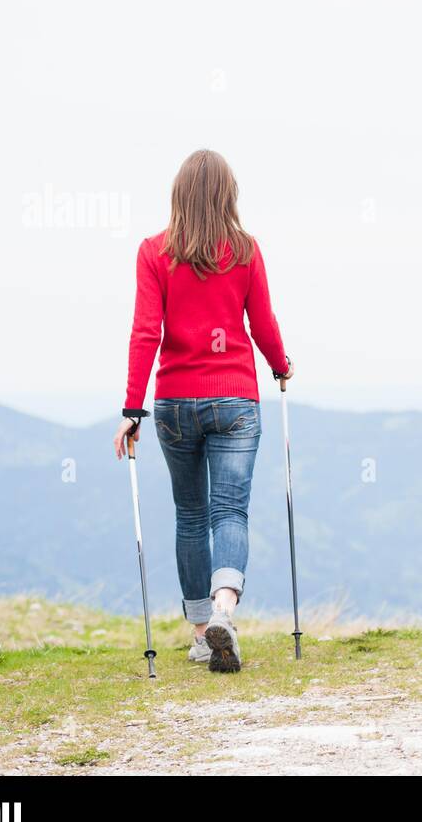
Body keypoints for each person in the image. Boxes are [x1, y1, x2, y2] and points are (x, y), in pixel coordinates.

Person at [112, 149, 292, 672]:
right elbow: (262, 323)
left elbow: (146, 330)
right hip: (235, 398)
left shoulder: (153, 252)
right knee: (229, 512)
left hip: (173, 404)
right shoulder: (245, 251)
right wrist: (281, 366)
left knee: (190, 515)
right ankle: (224, 610)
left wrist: (132, 407)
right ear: (227, 195)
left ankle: (199, 634)